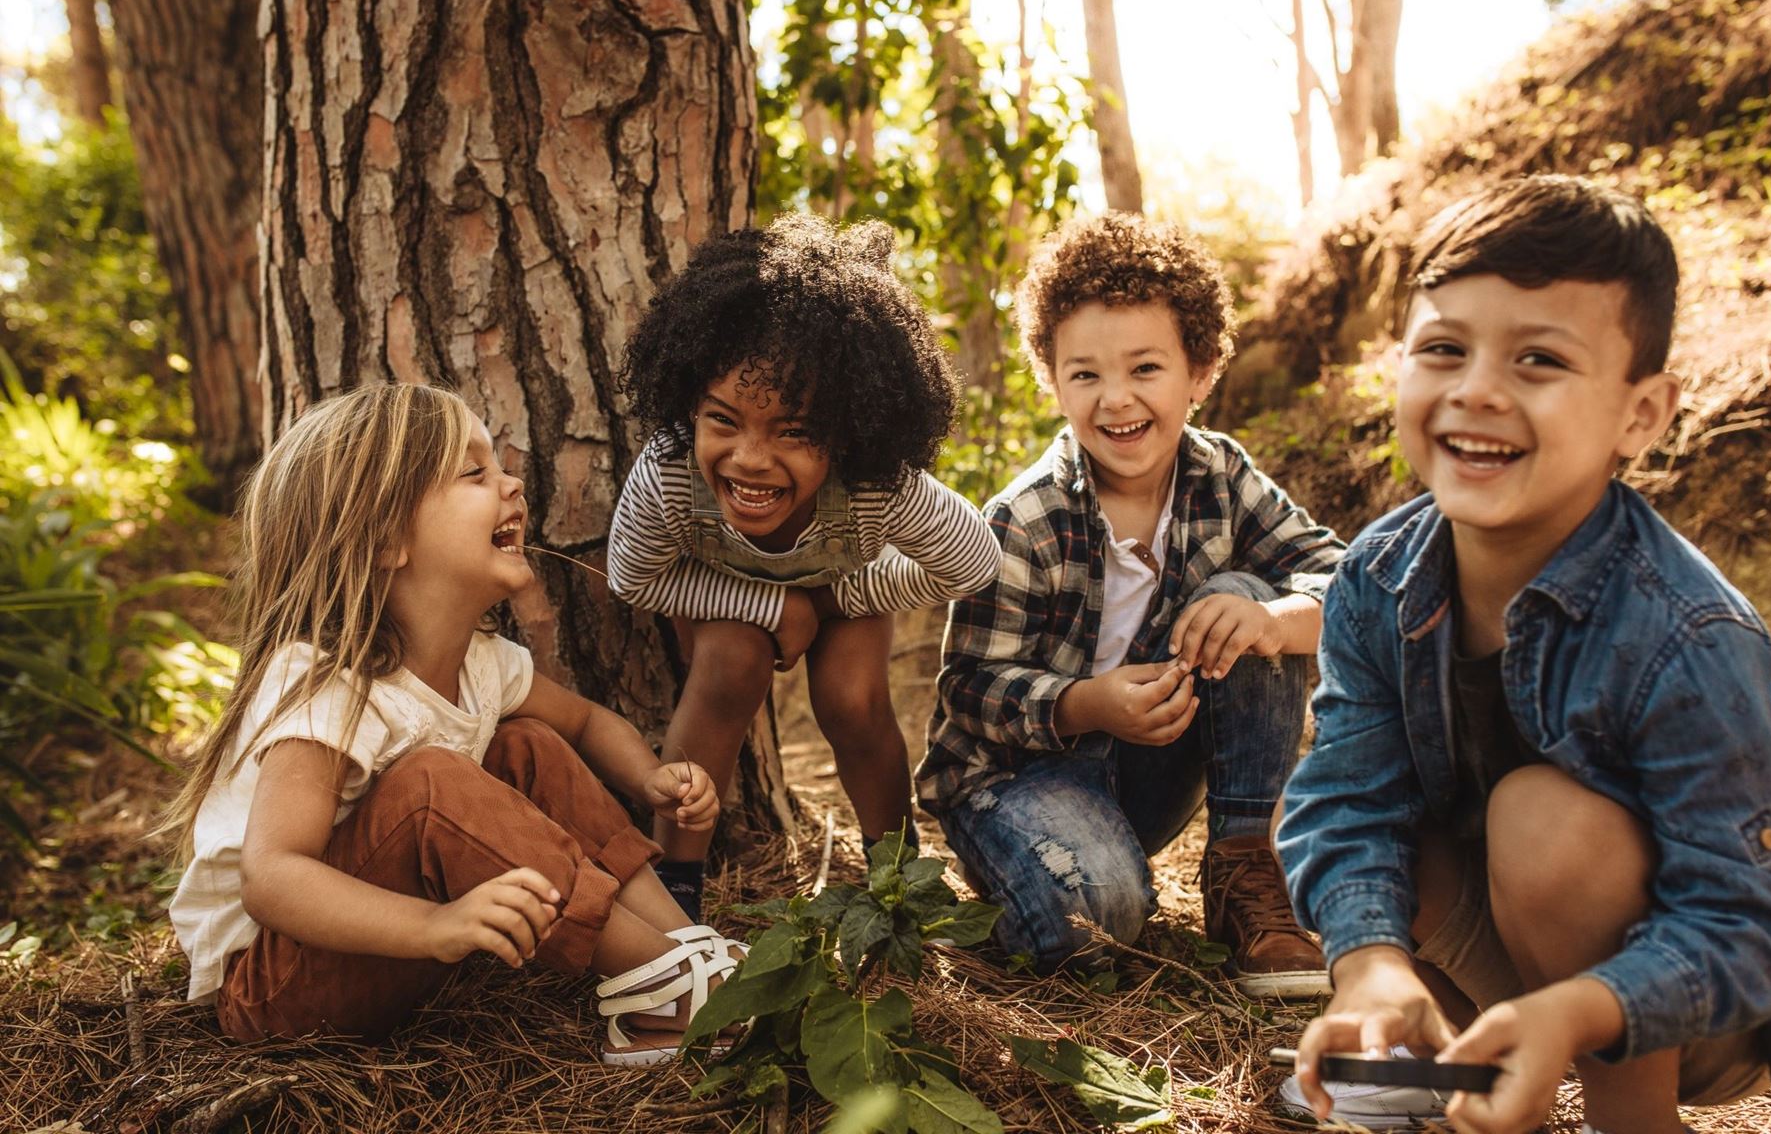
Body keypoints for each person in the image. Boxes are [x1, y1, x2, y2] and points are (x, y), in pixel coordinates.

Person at [1278, 174, 1771, 1133]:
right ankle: (1482, 1093)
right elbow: (1348, 798)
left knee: (1544, 821)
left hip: (1709, 994)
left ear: (1641, 415)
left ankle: (1629, 1120)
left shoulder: (1684, 631)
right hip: (1525, 939)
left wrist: (1578, 1009)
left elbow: (1750, 919)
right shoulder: (1378, 573)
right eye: (1444, 349)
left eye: (1539, 359)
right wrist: (1369, 966)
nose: (1478, 390)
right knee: (1372, 823)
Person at [163, 383, 744, 1066]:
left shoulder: (484, 663)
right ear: (384, 538)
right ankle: (672, 990)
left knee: (526, 744)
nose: (512, 484)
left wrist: (649, 777)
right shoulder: (327, 683)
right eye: (475, 473)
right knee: (434, 781)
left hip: (384, 948)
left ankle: (681, 948)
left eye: (498, 466)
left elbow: (584, 723)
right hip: (277, 986)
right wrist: (435, 925)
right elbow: (272, 877)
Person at [915, 213, 1346, 994]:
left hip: (1149, 771)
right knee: (1098, 920)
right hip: (1017, 783)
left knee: (1245, 600)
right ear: (1052, 381)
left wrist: (1276, 621)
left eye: (1145, 368)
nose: (1116, 400)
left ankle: (1245, 868)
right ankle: (1050, 883)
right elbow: (969, 688)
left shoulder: (1222, 476)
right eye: (1085, 375)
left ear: (1202, 371)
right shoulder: (1026, 517)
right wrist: (1085, 705)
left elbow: (1349, 581)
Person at [607, 214, 1001, 922]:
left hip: (845, 591)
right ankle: (674, 898)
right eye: (723, 420)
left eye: (793, 432)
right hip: (726, 599)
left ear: (848, 432)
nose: (751, 458)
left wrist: (838, 595)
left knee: (852, 700)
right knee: (728, 664)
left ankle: (900, 882)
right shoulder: (669, 472)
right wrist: (770, 607)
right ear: (689, 405)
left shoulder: (878, 484)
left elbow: (971, 561)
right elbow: (633, 577)